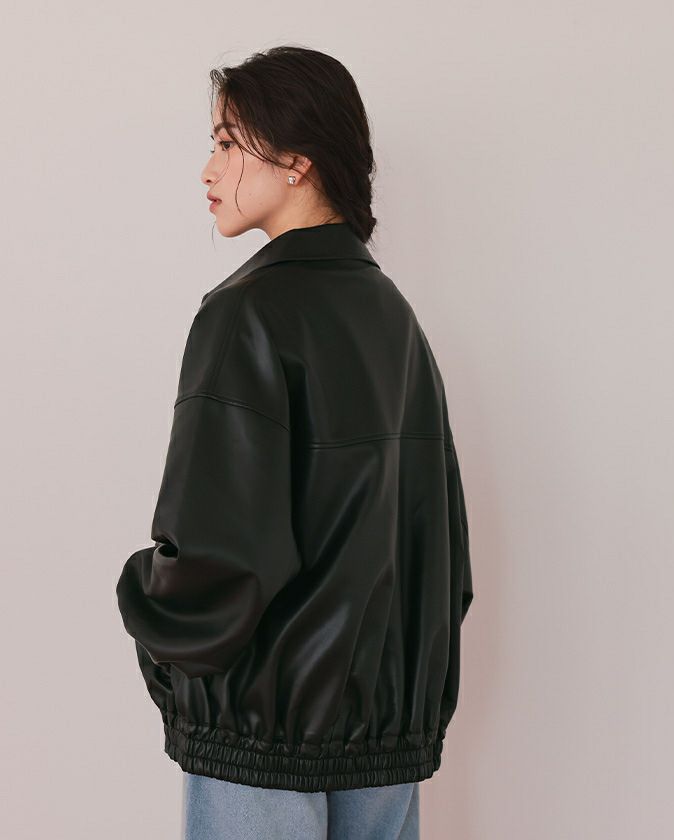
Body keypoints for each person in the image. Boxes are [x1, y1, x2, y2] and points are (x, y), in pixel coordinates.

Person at [116, 44, 473, 840]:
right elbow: (441, 549)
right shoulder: (394, 318)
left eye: (227, 142)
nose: (209, 169)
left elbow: (216, 554)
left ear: (297, 160)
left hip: (262, 732)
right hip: (383, 735)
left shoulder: (245, 313)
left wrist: (145, 599)